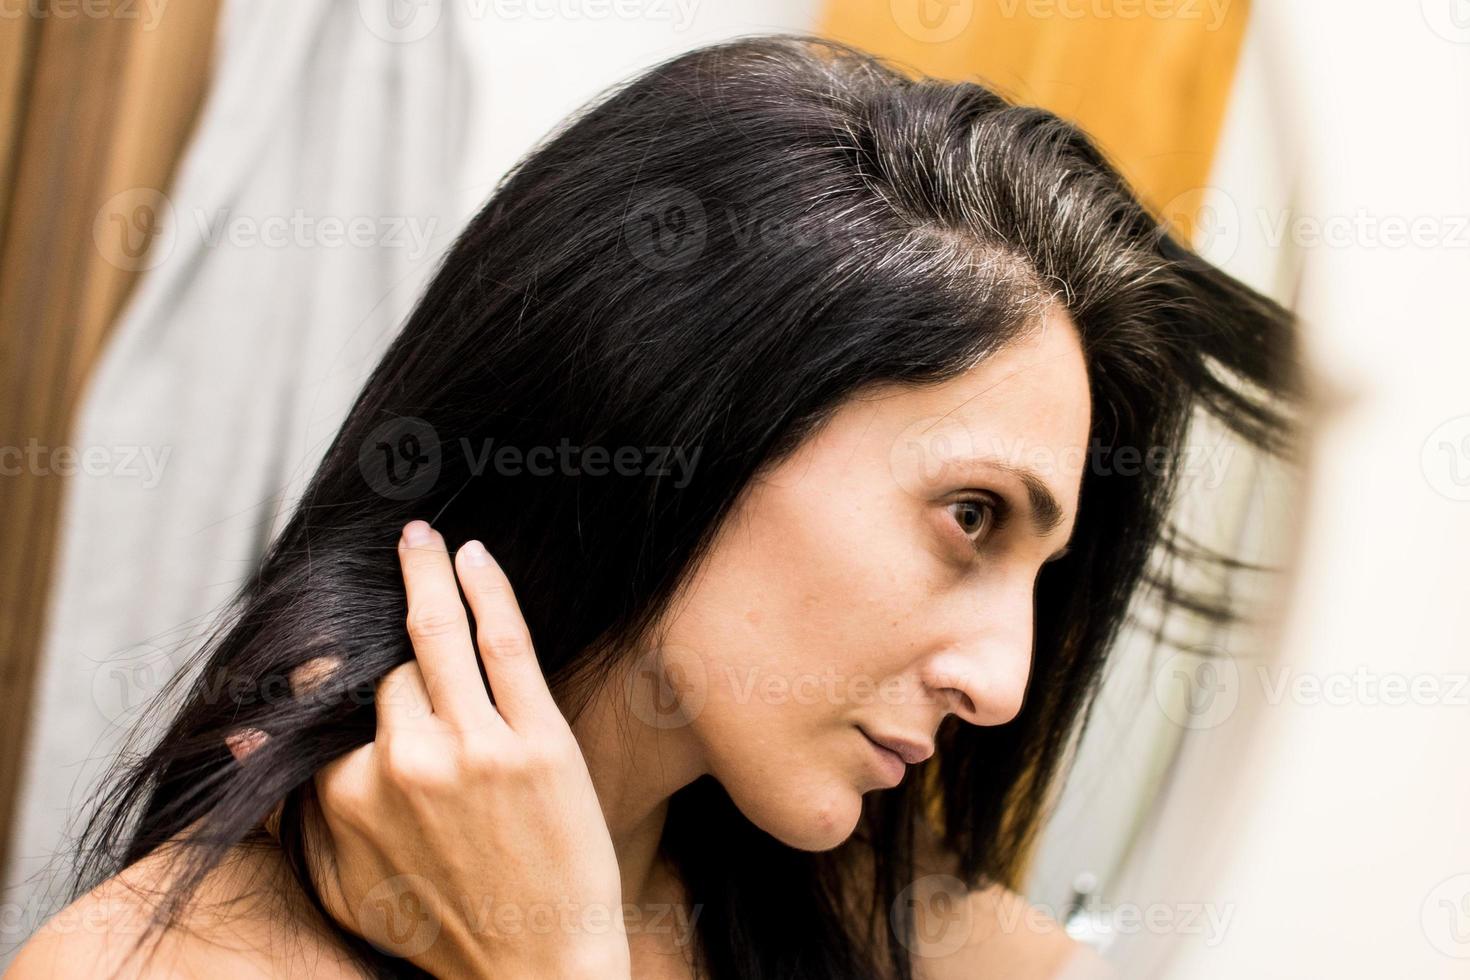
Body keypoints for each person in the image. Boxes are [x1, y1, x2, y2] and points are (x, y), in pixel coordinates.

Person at [10, 32, 1300, 979]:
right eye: (972, 517)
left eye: (1039, 565)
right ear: (680, 411)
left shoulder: (955, 958)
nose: (1005, 682)